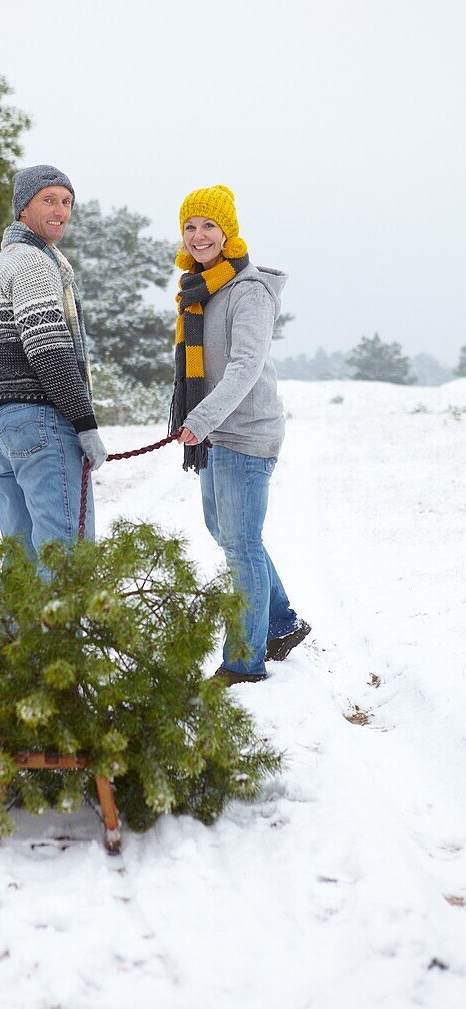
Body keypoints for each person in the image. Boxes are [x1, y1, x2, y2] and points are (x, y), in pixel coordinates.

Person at [170, 184, 310, 685]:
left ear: (228, 232)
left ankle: (244, 663)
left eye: (209, 225)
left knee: (241, 544)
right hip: (216, 434)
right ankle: (281, 623)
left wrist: (201, 419)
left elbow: (246, 365)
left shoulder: (247, 290)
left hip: (245, 433)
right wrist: (201, 421)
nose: (200, 234)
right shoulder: (199, 290)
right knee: (227, 534)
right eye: (191, 226)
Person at [0, 165, 106, 568]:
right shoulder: (33, 264)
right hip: (41, 425)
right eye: (48, 200)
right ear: (22, 208)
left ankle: (20, 634)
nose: (60, 210)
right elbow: (48, 350)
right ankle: (62, 634)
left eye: (66, 202)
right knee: (65, 562)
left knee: (21, 565)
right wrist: (85, 423)